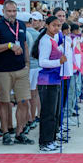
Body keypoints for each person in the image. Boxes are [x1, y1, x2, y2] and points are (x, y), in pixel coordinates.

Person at [0, 0, 34, 146]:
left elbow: (24, 44)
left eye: (14, 11)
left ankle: (20, 133)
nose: (12, 14)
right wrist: (8, 46)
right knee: (4, 102)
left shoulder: (21, 25)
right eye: (9, 11)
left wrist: (27, 63)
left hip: (21, 69)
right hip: (3, 70)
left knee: (24, 101)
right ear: (3, 11)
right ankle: (6, 132)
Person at [33, 15, 65, 152]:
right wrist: (59, 62)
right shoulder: (46, 41)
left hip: (54, 79)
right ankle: (44, 142)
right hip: (47, 81)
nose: (56, 28)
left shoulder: (53, 39)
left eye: (58, 25)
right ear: (47, 25)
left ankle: (51, 139)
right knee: (48, 113)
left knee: (53, 113)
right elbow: (42, 62)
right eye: (54, 25)